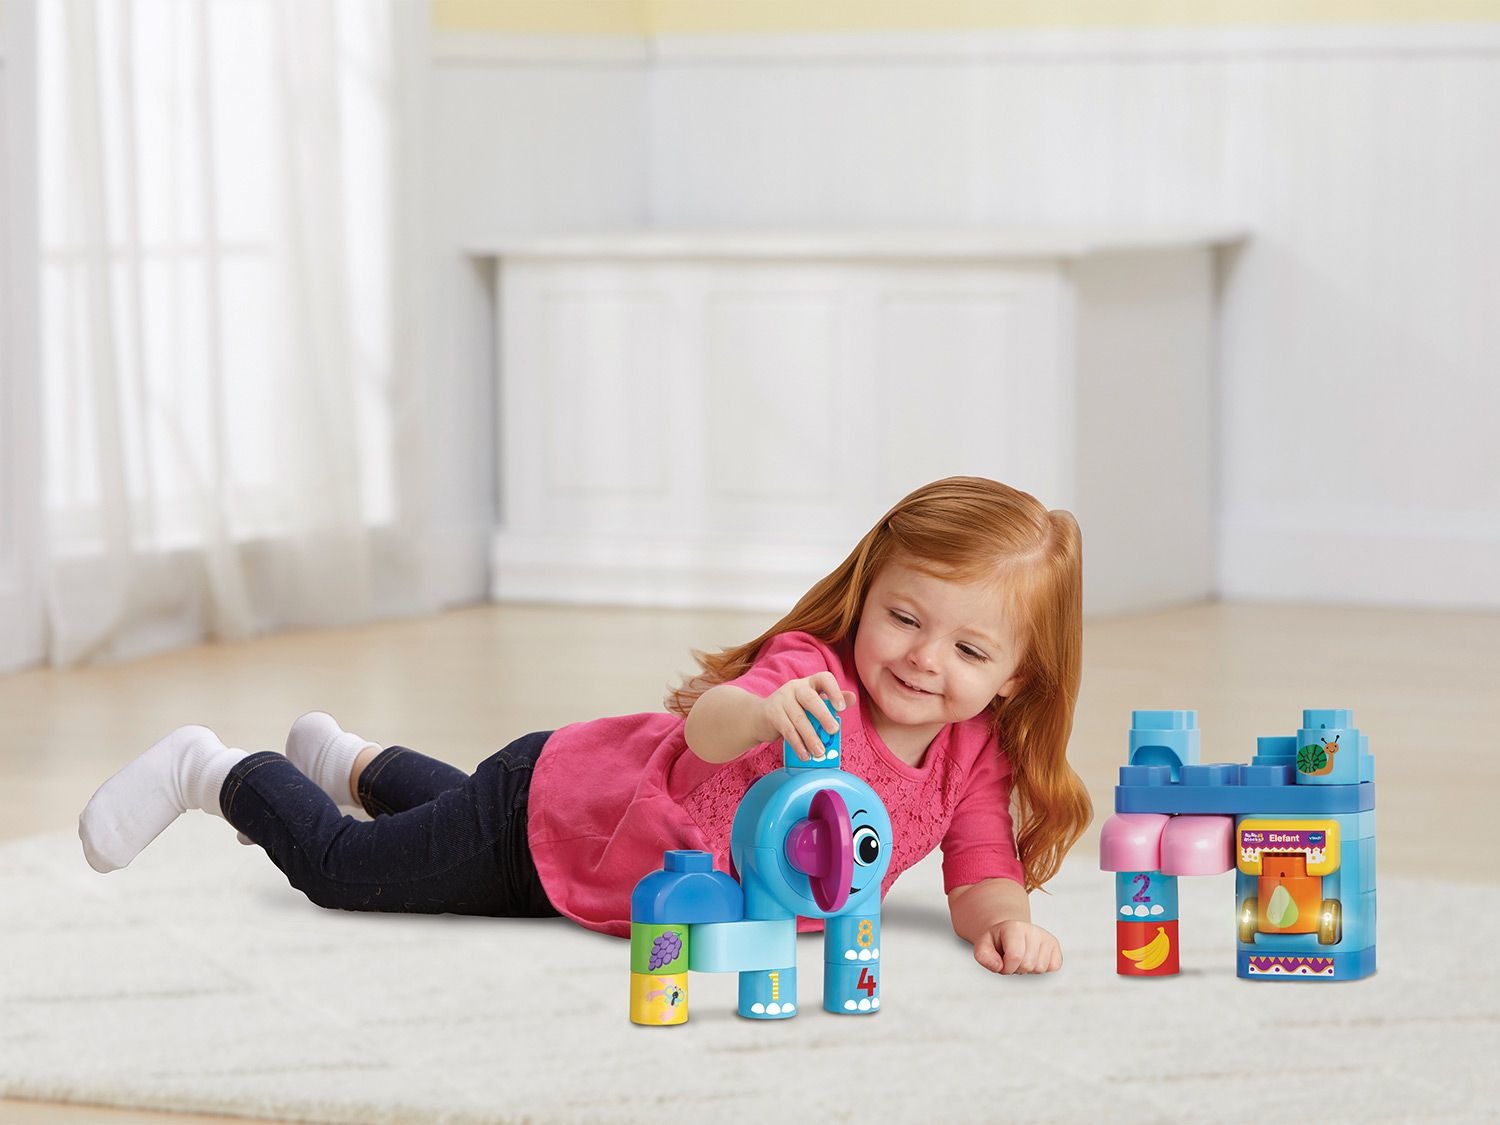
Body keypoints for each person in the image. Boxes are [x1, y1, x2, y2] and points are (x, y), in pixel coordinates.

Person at [79, 476, 1092, 975]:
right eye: (905, 618)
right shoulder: (812, 678)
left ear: (1016, 677)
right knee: (351, 870)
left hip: (597, 855)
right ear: (867, 595)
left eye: (970, 649)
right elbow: (707, 731)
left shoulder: (973, 754)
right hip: (558, 808)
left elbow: (981, 864)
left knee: (453, 828)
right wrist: (763, 710)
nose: (924, 659)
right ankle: (213, 770)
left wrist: (1004, 924)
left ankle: (346, 759)